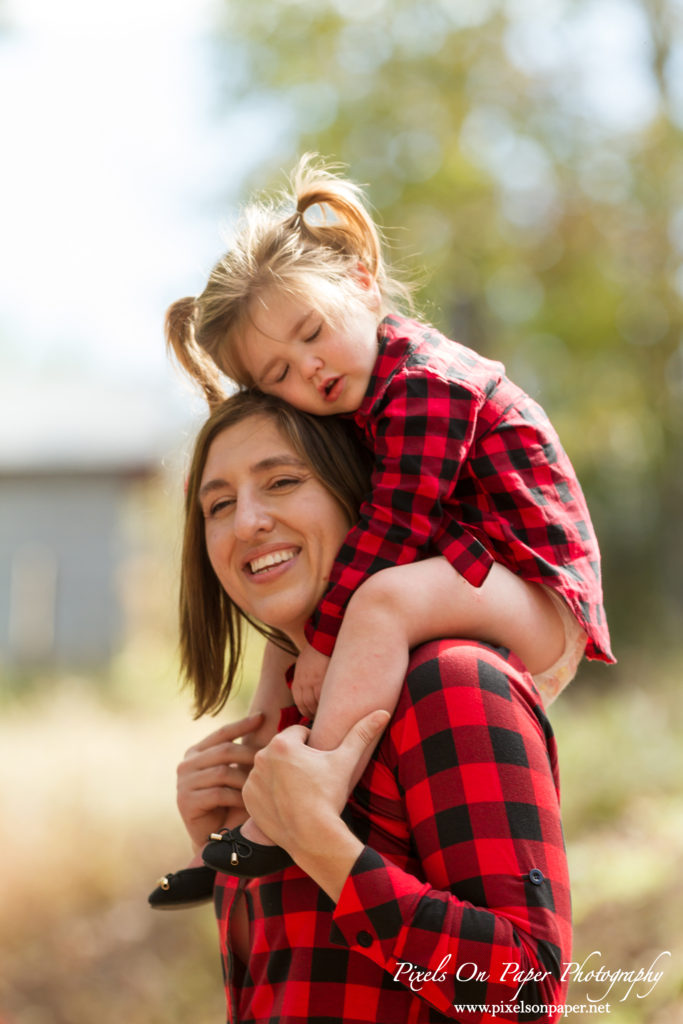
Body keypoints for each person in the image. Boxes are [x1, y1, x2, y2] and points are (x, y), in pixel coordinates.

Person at [163, 155, 614, 878]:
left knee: (373, 599)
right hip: (471, 568)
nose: (306, 368)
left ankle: (312, 788)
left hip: (532, 587)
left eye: (312, 332)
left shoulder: (425, 385)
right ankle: (248, 797)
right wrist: (306, 641)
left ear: (363, 284)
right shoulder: (365, 397)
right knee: (296, 627)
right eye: (276, 374)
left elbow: (396, 528)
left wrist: (327, 643)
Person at [158, 391, 572, 1022]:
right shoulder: (294, 721)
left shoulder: (449, 684)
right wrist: (229, 865)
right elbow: (293, 987)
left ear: (363, 496)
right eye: (218, 505)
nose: (246, 522)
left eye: (283, 481)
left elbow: (529, 991)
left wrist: (323, 846)